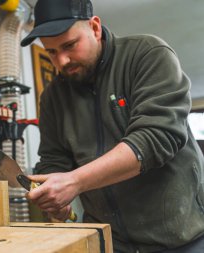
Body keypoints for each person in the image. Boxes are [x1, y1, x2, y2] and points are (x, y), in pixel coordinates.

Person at [20, 0, 204, 252]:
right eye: (51, 52)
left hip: (181, 235)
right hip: (107, 240)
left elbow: (155, 137)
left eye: (70, 45)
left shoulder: (147, 54)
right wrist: (54, 198)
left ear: (95, 28)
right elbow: (54, 159)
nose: (62, 61)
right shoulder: (53, 97)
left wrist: (74, 181)